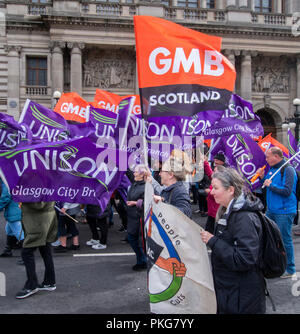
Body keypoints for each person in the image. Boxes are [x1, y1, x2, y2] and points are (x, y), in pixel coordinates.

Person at [200, 168, 266, 314]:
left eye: (216, 188)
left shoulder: (243, 218)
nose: (211, 192)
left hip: (242, 295)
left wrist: (213, 241)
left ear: (230, 190)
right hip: (231, 290)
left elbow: (245, 259)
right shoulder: (227, 211)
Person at [258, 146, 297, 278]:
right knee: (269, 238)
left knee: (285, 239)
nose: (266, 159)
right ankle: (275, 263)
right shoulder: (272, 169)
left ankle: (290, 268)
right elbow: (266, 187)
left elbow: (287, 191)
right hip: (272, 210)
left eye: (268, 156)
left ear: (276, 156)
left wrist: (271, 185)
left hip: (284, 211)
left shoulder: (288, 169)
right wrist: (263, 178)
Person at [16, 201, 57, 299]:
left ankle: (32, 285)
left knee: (27, 253)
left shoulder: (37, 186)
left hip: (38, 223)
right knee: (46, 251)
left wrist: (23, 201)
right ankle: (49, 282)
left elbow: (39, 204)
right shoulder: (47, 185)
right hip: (46, 220)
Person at [126, 164, 148, 271]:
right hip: (132, 218)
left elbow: (149, 202)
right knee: (131, 238)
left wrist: (135, 203)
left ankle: (142, 261)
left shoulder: (147, 186)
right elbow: (127, 171)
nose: (134, 173)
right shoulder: (135, 183)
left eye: (135, 172)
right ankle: (141, 259)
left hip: (139, 218)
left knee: (138, 241)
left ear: (142, 174)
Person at [0, 180, 24, 257]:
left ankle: (26, 256)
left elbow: (5, 197)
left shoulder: (6, 180)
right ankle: (8, 250)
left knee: (20, 234)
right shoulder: (16, 176)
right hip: (18, 207)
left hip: (13, 211)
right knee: (9, 230)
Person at [204, 164, 225, 234]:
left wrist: (209, 192)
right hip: (212, 211)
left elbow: (217, 195)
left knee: (212, 232)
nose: (213, 172)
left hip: (215, 212)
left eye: (215, 171)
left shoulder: (221, 182)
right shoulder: (215, 180)